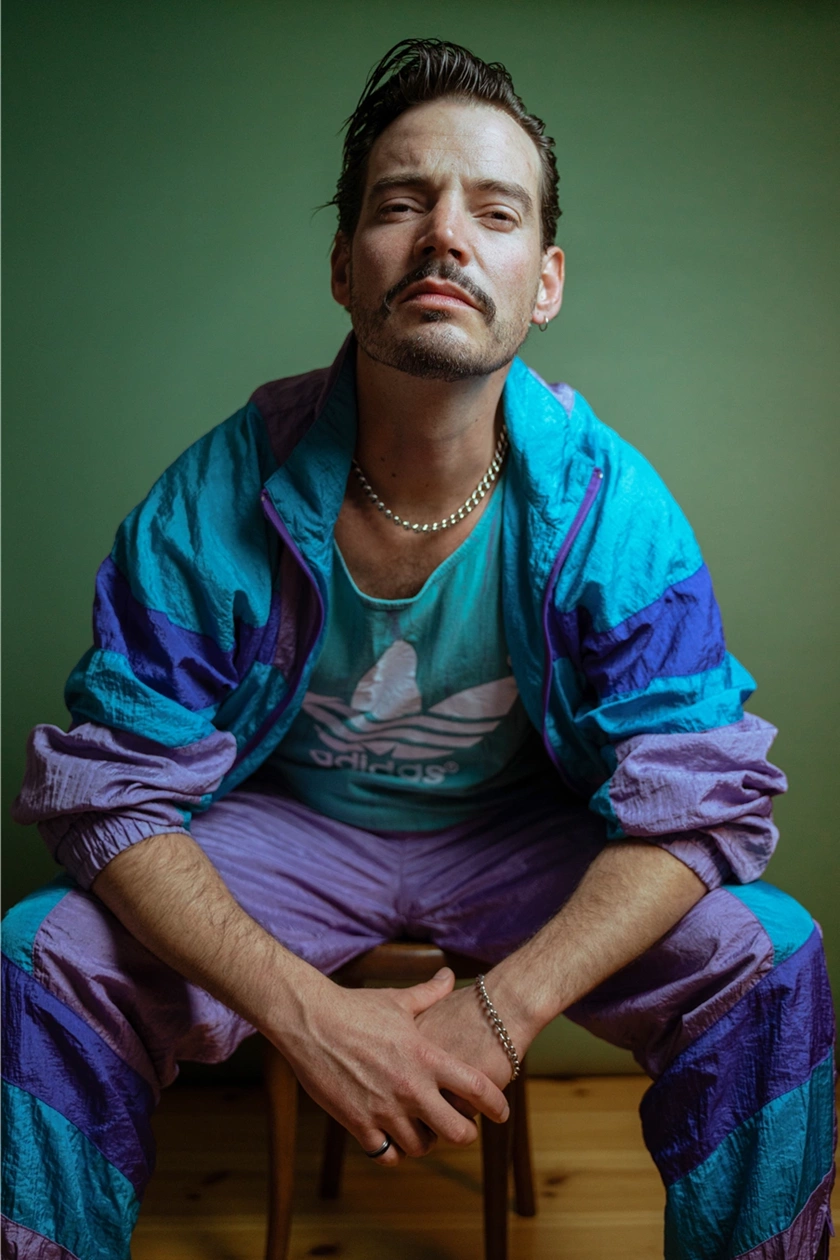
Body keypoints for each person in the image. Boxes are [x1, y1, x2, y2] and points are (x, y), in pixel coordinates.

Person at [1, 37, 834, 1260]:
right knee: (40, 957)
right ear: (345, 266)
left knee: (770, 955)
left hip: (518, 837)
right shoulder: (214, 498)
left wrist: (502, 1012)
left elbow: (699, 797)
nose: (446, 234)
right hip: (289, 833)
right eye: (403, 203)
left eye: (494, 212)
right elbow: (113, 792)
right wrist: (309, 1016)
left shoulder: (614, 513)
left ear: (543, 282)